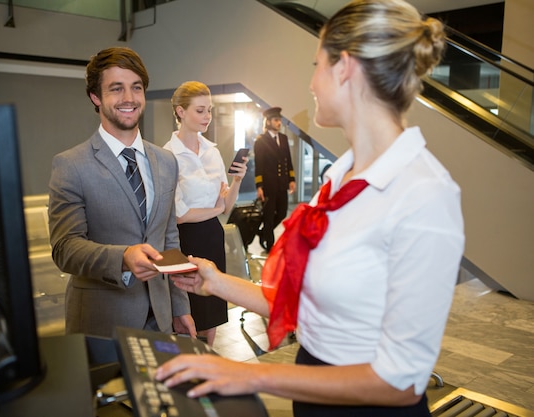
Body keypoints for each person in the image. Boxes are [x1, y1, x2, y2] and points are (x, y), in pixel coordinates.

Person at [154, 1, 465, 416]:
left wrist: (251, 375)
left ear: (345, 68)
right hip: (314, 392)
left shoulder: (423, 194)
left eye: (316, 65)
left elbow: (401, 381)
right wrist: (216, 282)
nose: (313, 83)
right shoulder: (340, 176)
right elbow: (303, 302)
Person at [48, 47, 196, 339]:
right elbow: (65, 249)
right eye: (116, 89)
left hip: (161, 317)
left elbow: (169, 239)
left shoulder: (166, 162)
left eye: (136, 88)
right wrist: (123, 257)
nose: (129, 98)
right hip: (102, 320)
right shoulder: (71, 165)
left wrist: (180, 307)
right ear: (96, 97)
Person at [163, 81, 248, 346]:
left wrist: (236, 182)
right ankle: (190, 369)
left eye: (209, 110)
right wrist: (216, 208)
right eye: (200, 111)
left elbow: (226, 206)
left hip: (212, 236)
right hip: (185, 241)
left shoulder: (212, 152)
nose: (207, 117)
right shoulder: (168, 155)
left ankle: (207, 362)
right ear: (180, 112)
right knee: (190, 315)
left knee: (211, 315)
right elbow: (179, 215)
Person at [254, 106, 296, 252]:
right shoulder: (260, 141)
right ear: (268, 121)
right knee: (269, 215)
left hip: (282, 183)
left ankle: (263, 232)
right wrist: (259, 186)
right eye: (276, 120)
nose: (279, 123)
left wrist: (291, 179)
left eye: (280, 120)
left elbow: (288, 160)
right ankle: (270, 245)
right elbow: (259, 165)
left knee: (283, 213)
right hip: (268, 185)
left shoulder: (283, 139)